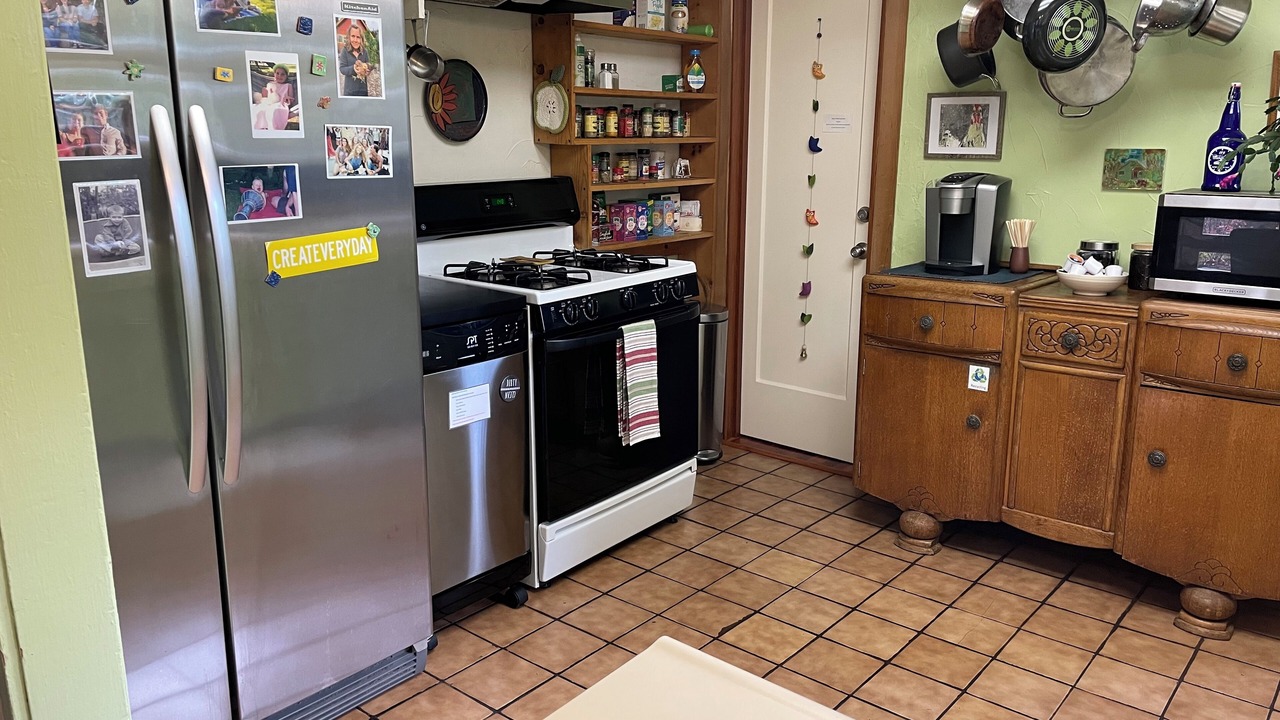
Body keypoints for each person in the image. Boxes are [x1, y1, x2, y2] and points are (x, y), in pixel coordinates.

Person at [253, 65, 293, 131]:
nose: (279, 76)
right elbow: (266, 97)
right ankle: (261, 127)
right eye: (277, 73)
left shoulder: (288, 86)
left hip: (281, 104)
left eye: (282, 74)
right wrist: (264, 93)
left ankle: (272, 128)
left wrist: (287, 99)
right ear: (274, 74)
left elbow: (291, 99)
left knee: (274, 110)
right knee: (257, 108)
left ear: (286, 76)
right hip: (269, 102)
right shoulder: (270, 84)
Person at [338, 22, 371, 97]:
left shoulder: (365, 51)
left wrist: (367, 67)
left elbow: (369, 65)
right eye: (353, 36)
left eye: (358, 37)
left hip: (363, 90)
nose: (355, 40)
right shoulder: (345, 51)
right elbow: (342, 69)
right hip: (349, 91)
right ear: (349, 37)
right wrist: (353, 68)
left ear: (361, 39)